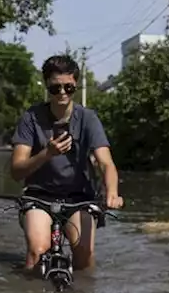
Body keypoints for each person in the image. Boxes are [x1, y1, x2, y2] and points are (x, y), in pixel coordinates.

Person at [10, 55, 123, 271]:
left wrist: (112, 192)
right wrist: (47, 154)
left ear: (76, 86)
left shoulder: (88, 118)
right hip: (39, 195)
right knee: (37, 251)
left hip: (79, 198)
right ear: (47, 86)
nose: (62, 93)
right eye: (55, 88)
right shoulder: (30, 118)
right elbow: (16, 171)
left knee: (84, 252)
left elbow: (106, 163)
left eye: (68, 88)